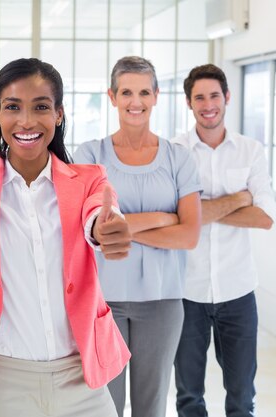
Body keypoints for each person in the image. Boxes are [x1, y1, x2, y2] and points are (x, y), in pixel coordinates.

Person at [0, 58, 132, 417]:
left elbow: (99, 215)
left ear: (58, 114)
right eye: (12, 107)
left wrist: (105, 228)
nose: (25, 121)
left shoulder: (89, 179)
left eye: (40, 107)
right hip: (0, 382)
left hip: (81, 380)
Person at [73, 56, 202, 417]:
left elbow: (189, 234)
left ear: (157, 96)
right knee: (104, 407)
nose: (136, 101)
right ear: (112, 97)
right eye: (126, 92)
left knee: (151, 407)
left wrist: (124, 227)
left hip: (163, 302)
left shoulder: (179, 158)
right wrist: (163, 218)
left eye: (144, 91)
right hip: (103, 303)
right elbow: (93, 230)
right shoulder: (90, 155)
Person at [171, 64, 276, 417]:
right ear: (189, 103)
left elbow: (264, 218)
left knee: (242, 397)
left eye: (214, 95)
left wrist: (197, 211)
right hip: (187, 293)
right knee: (188, 396)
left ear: (227, 97)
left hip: (238, 291)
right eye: (199, 97)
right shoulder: (175, 151)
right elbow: (172, 216)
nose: (208, 104)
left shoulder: (251, 150)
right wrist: (237, 199)